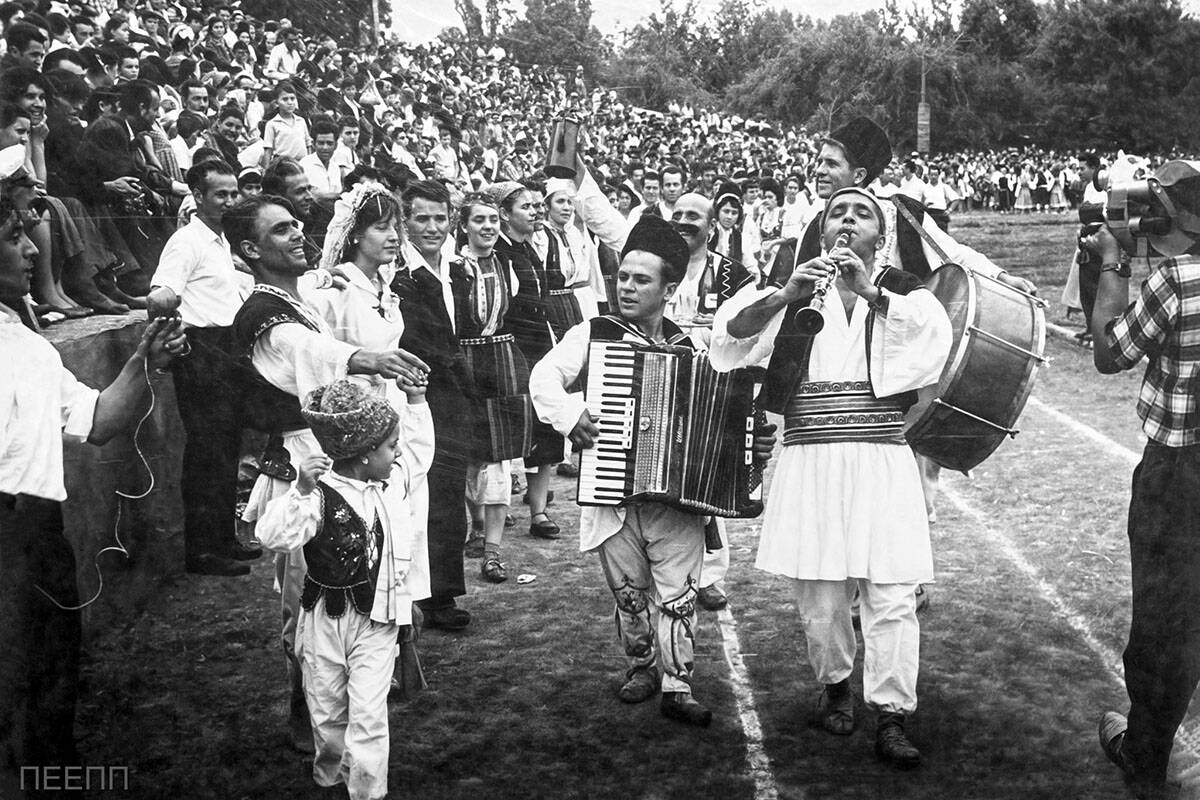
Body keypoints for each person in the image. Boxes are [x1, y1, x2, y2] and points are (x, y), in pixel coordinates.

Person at [709, 187, 952, 768]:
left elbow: (935, 339)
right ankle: (836, 686)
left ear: (880, 236)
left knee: (892, 591)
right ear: (821, 230)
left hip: (881, 457)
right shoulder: (796, 285)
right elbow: (730, 338)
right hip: (811, 456)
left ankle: (892, 713)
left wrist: (870, 291)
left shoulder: (901, 288)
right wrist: (784, 296)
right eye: (838, 212)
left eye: (862, 213)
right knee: (820, 592)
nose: (848, 220)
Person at [0, 178, 188, 796]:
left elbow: (99, 419)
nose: (33, 250)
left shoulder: (23, 340)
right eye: (14, 237)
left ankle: (49, 780)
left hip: (37, 532)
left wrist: (143, 361)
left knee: (51, 676)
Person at [226, 194, 429, 752]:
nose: (297, 233)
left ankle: (358, 687)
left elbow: (315, 295)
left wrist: (329, 281)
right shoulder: (265, 318)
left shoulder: (293, 297)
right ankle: (305, 707)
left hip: (336, 454)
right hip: (303, 461)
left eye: (296, 224)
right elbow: (305, 348)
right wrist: (364, 357)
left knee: (361, 565)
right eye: (280, 230)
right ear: (249, 250)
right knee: (306, 589)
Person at [529, 215, 718, 726]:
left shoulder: (693, 348)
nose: (626, 287)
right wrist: (571, 415)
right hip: (613, 492)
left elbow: (718, 416)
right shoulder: (594, 333)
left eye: (641, 280)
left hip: (676, 499)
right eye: (623, 277)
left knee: (678, 594)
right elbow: (544, 376)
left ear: (669, 290)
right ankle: (642, 666)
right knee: (630, 593)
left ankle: (678, 684)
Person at [256, 377, 433, 800]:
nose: (399, 453)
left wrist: (417, 400)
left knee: (369, 714)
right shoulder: (319, 496)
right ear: (365, 452)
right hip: (324, 621)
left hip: (377, 621)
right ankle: (331, 779)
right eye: (390, 446)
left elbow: (419, 451)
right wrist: (300, 490)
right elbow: (272, 535)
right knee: (328, 710)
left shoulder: (392, 482)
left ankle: (368, 792)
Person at [1085, 223, 1200, 800]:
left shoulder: (1179, 277)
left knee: (1165, 627)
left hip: (1180, 475)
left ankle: (1145, 756)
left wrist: (1112, 262)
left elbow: (1111, 352)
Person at [146, 157, 259, 576]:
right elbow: (161, 293)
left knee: (226, 447)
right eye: (220, 194)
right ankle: (202, 551)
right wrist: (172, 333)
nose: (230, 201)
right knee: (207, 451)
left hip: (226, 349)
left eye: (234, 193)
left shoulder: (220, 240)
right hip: (201, 352)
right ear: (197, 196)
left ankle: (223, 540)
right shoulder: (187, 241)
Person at [392, 179, 476, 632]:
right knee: (426, 494)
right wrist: (455, 366)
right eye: (421, 218)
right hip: (419, 392)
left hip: (452, 395)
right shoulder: (400, 277)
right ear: (405, 222)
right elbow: (418, 342)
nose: (432, 227)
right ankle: (426, 596)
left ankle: (440, 591)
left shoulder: (456, 271)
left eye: (440, 218)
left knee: (448, 495)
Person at [453, 192, 534, 583]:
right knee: (468, 454)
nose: (487, 227)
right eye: (478, 220)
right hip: (463, 361)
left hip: (500, 358)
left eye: (492, 220)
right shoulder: (451, 267)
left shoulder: (506, 263)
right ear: (463, 226)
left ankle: (493, 551)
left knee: (499, 456)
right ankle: (476, 524)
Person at [492, 180, 563, 542]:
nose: (535, 212)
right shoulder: (498, 253)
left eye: (536, 206)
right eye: (526, 207)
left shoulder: (530, 248)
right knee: (509, 430)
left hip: (539, 347)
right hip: (512, 349)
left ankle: (538, 512)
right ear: (504, 215)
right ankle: (492, 511)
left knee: (544, 426)